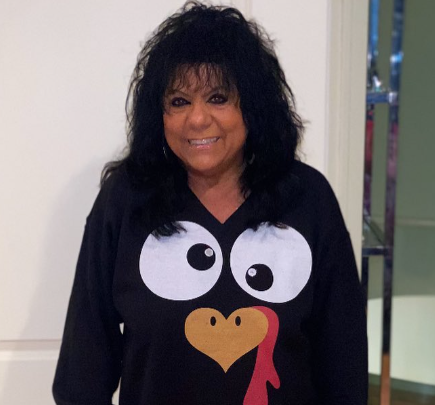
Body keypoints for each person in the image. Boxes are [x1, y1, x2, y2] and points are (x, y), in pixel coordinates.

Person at [53, 2, 368, 404]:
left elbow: (344, 363)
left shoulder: (308, 199)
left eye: (218, 97)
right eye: (179, 101)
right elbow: (83, 366)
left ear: (253, 105)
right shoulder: (126, 200)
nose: (197, 119)